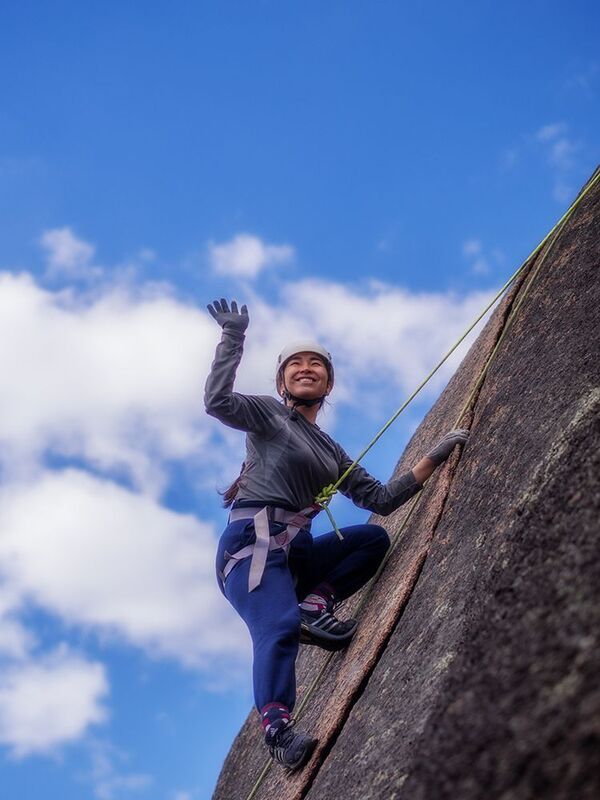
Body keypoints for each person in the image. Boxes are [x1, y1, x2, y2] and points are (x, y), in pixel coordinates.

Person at [204, 298, 469, 773]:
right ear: (282, 381)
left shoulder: (330, 448)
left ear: (328, 383)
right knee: (277, 627)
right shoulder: (268, 416)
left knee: (371, 541)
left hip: (296, 556)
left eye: (317, 365)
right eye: (295, 364)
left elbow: (381, 500)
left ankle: (314, 604)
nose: (307, 369)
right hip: (255, 546)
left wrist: (433, 457)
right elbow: (218, 402)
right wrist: (233, 337)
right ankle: (278, 731)